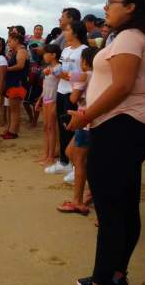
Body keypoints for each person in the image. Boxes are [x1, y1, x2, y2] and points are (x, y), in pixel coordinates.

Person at [67, 0, 145, 285]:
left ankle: (103, 279)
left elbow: (122, 86)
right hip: (129, 128)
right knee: (124, 207)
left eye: (111, 1)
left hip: (119, 129)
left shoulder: (129, 37)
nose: (105, 7)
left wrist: (86, 115)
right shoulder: (137, 36)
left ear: (131, 7)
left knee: (112, 210)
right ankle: (116, 274)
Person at [58, 47, 99, 214]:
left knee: (79, 160)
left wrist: (75, 88)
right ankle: (92, 192)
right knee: (70, 152)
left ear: (84, 61)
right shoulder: (99, 76)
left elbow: (73, 98)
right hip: (93, 121)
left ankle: (78, 201)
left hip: (84, 120)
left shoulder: (85, 75)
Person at [45, 20, 88, 176]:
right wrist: (55, 72)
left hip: (74, 94)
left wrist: (58, 73)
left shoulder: (84, 50)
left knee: (75, 129)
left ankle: (77, 166)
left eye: (68, 30)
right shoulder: (65, 50)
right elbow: (61, 70)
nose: (65, 33)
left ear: (75, 32)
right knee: (62, 127)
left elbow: (83, 76)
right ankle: (64, 162)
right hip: (61, 91)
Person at [35, 43, 61, 165]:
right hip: (46, 99)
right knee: (46, 128)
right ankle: (46, 154)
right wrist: (39, 99)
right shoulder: (48, 68)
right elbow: (45, 86)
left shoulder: (59, 68)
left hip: (53, 100)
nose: (44, 55)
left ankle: (51, 156)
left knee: (51, 128)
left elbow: (60, 86)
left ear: (53, 55)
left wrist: (56, 103)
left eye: (46, 53)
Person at [2, 32, 30, 139]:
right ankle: (11, 129)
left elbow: (20, 66)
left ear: (16, 40)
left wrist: (6, 69)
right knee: (12, 108)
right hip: (14, 82)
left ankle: (13, 132)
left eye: (10, 41)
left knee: (14, 109)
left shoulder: (21, 51)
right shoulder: (17, 51)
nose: (9, 43)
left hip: (18, 83)